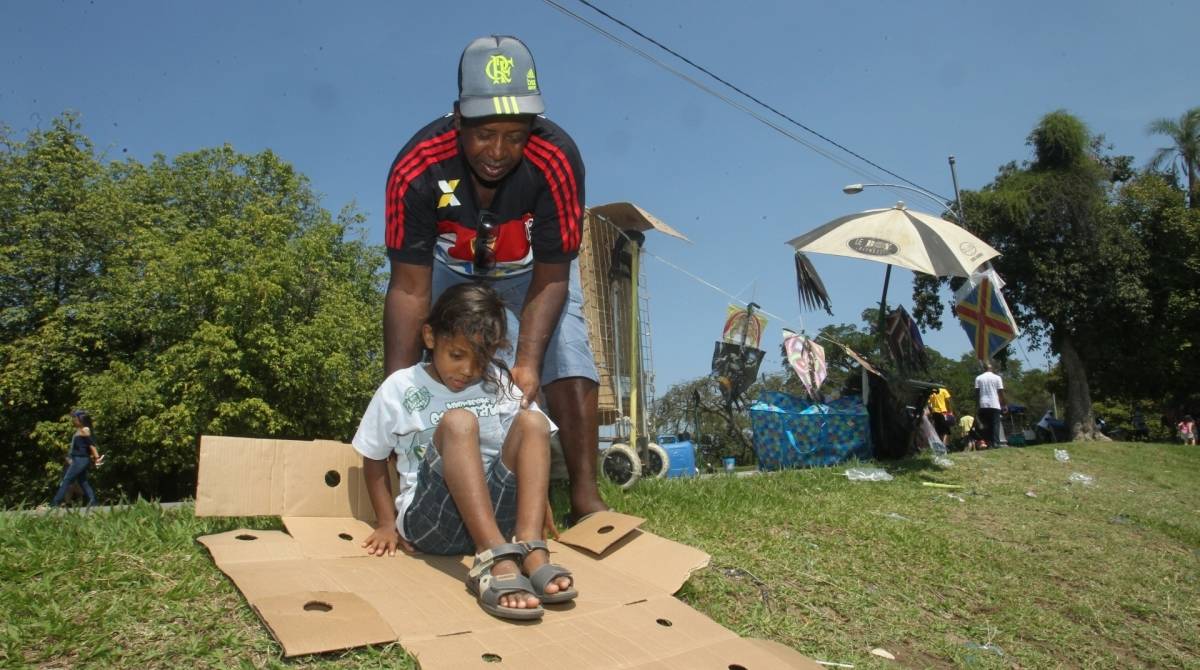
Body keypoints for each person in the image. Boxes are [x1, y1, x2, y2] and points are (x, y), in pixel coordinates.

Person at [382, 34, 605, 528]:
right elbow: (409, 289)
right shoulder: (417, 166)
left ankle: (586, 498)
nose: (498, 151)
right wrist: (396, 386)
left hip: (531, 275)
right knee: (439, 359)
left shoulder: (558, 160)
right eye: (484, 134)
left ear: (534, 126)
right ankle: (426, 485)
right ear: (458, 119)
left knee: (566, 353)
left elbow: (553, 277)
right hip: (449, 271)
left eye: (515, 135)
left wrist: (527, 361)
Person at [354, 283, 576, 620]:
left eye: (481, 358)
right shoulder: (400, 387)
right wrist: (386, 523)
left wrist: (537, 503)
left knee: (533, 422)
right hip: (432, 522)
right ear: (430, 337)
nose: (468, 370)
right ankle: (491, 555)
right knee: (459, 423)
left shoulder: (495, 381)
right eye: (457, 355)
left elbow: (528, 448)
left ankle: (529, 547)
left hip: (499, 522)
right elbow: (372, 461)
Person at [50, 410, 102, 507]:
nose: (73, 420)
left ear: (80, 420)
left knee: (67, 480)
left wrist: (97, 457)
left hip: (80, 459)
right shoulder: (80, 430)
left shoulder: (85, 430)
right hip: (78, 459)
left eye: (75, 418)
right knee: (83, 482)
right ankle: (93, 502)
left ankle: (55, 503)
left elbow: (92, 445)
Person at [974, 362, 1006, 449]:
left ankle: (988, 443)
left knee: (986, 425)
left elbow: (977, 393)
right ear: (992, 369)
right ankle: (996, 442)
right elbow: (1001, 392)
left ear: (983, 369)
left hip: (983, 404)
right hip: (994, 403)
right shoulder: (997, 378)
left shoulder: (978, 378)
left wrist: (977, 405)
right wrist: (1004, 404)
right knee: (995, 424)